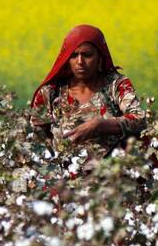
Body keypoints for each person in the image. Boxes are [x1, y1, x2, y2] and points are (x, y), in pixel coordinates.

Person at [30, 24, 146, 154]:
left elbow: (139, 118)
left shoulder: (116, 84)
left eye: (87, 55)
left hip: (112, 170)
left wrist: (99, 126)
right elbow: (35, 139)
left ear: (100, 57)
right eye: (74, 55)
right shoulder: (51, 92)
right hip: (63, 171)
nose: (80, 62)